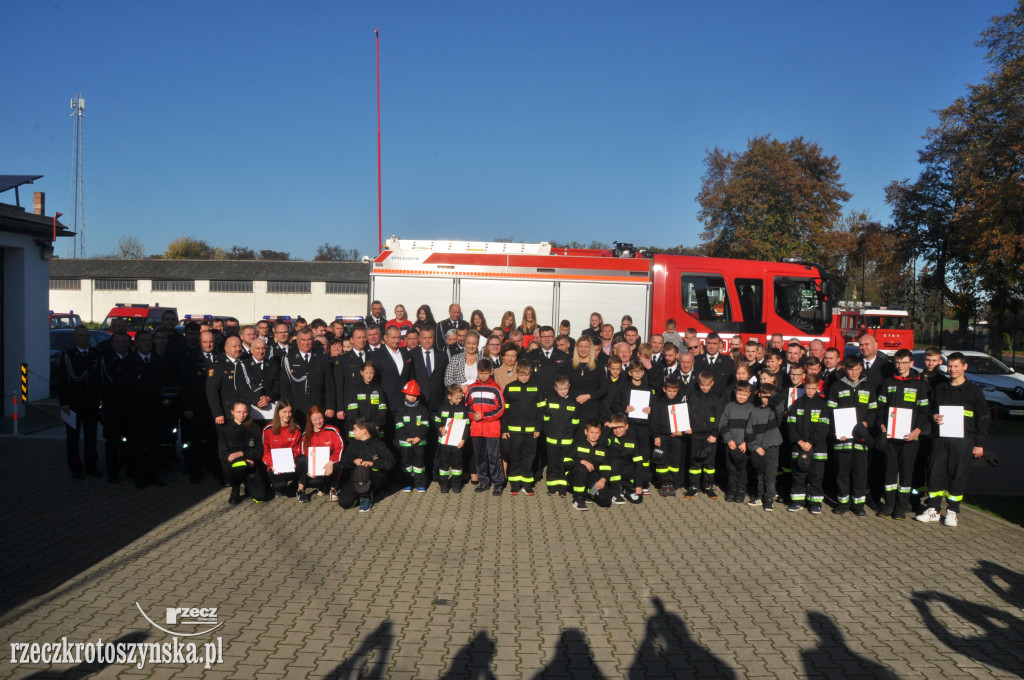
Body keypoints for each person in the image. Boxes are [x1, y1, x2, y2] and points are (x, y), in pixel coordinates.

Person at [915, 352, 990, 527]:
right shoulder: (940, 388)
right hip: (940, 439)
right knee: (935, 473)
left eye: (956, 366)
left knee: (958, 475)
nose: (952, 369)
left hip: (963, 441)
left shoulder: (974, 391)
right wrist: (934, 417)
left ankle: (952, 511)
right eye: (950, 366)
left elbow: (984, 418)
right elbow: (929, 410)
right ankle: (933, 509)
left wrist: (979, 443)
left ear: (965, 367)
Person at [875, 349, 930, 519]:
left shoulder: (919, 384)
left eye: (904, 362)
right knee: (890, 471)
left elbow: (924, 412)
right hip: (891, 436)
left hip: (910, 438)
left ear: (911, 363)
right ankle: (889, 505)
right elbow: (881, 408)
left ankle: (900, 507)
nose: (900, 366)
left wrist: (917, 431)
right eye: (898, 362)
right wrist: (883, 427)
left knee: (906, 473)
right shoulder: (888, 382)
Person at [827, 357, 878, 516]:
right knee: (842, 473)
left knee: (860, 474)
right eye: (850, 369)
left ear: (861, 368)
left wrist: (866, 424)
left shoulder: (869, 387)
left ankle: (858, 505)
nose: (854, 372)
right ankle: (843, 503)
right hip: (842, 439)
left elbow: (873, 411)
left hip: (860, 440)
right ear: (845, 370)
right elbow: (830, 412)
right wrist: (835, 431)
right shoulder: (836, 387)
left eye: (856, 369)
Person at [57, 325, 100, 479]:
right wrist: (64, 402)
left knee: (91, 437)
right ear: (74, 338)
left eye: (86, 335)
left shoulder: (95, 354)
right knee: (73, 439)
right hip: (73, 404)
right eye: (80, 335)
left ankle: (91, 467)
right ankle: (76, 468)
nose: (84, 338)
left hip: (91, 403)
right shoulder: (68, 355)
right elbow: (62, 380)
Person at [786, 376, 830, 514]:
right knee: (798, 475)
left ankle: (815, 503)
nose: (810, 391)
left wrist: (810, 442)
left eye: (813, 388)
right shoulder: (797, 404)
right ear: (804, 387)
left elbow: (824, 428)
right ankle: (797, 502)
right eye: (808, 388)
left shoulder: (822, 405)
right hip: (799, 447)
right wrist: (799, 441)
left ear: (818, 388)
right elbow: (790, 426)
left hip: (817, 448)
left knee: (816, 477)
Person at [501, 361, 545, 495]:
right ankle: (515, 485)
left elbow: (541, 409)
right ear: (516, 374)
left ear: (530, 374)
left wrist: (538, 427)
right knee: (515, 457)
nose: (524, 377)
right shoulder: (509, 388)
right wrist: (504, 429)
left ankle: (527, 484)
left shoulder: (536, 387)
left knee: (529, 457)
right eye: (521, 375)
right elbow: (505, 411)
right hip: (514, 431)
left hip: (531, 431)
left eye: (527, 375)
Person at [96, 332, 134, 482]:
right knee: (112, 443)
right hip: (112, 407)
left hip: (130, 407)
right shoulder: (105, 361)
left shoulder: (134, 358)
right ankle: (113, 473)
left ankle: (130, 469)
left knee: (130, 441)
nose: (121, 344)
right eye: (117, 342)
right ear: (112, 344)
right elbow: (99, 383)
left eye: (124, 342)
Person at [279, 328, 336, 428]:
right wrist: (287, 409)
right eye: (303, 340)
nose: (306, 343)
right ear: (297, 341)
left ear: (313, 340)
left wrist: (330, 406)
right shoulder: (289, 359)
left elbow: (329, 385)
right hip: (297, 409)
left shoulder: (323, 358)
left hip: (318, 407)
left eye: (309, 339)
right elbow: (285, 387)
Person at [466, 360, 506, 495]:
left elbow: (501, 409)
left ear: (491, 372)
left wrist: (483, 415)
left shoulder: (496, 388)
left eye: (486, 373)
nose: (483, 376)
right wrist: (473, 416)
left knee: (494, 457)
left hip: (492, 430)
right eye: (481, 373)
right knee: (480, 457)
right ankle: (484, 481)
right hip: (477, 430)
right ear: (477, 372)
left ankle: (498, 482)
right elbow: (467, 407)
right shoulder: (472, 388)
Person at [338, 418, 395, 512]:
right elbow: (344, 461)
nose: (353, 431)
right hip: (356, 479)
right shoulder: (353, 444)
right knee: (344, 503)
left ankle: (366, 498)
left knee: (362, 469)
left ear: (364, 431)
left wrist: (373, 463)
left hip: (375, 478)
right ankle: (361, 495)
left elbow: (391, 461)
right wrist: (353, 461)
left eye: (355, 429)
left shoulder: (378, 444)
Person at [218, 401, 268, 505]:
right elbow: (224, 455)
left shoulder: (255, 428)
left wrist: (241, 454)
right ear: (232, 412)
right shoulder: (225, 430)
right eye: (238, 412)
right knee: (240, 465)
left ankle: (248, 485)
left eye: (245, 412)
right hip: (235, 466)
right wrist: (243, 456)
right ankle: (235, 490)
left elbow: (259, 451)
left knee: (260, 497)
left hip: (251, 464)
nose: (242, 415)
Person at [745, 384, 784, 511]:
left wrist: (773, 396)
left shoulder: (774, 411)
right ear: (759, 395)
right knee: (760, 474)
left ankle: (769, 499)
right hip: (759, 448)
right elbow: (749, 430)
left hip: (772, 447)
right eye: (764, 396)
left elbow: (780, 404)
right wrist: (755, 447)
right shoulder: (754, 411)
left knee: (770, 474)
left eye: (769, 397)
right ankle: (760, 496)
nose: (766, 399)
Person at [684, 372, 722, 499]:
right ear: (699, 384)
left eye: (707, 385)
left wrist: (714, 434)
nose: (704, 387)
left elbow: (718, 418)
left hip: (709, 436)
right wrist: (687, 426)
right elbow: (687, 413)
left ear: (712, 384)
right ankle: (693, 487)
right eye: (702, 385)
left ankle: (708, 487)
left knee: (709, 464)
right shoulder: (693, 397)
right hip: (695, 435)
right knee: (694, 462)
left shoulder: (716, 398)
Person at [541, 375, 579, 495]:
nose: (563, 391)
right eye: (560, 389)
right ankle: (552, 487)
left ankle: (562, 489)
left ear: (569, 387)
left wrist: (568, 433)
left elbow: (575, 422)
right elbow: (545, 420)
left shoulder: (573, 403)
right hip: (552, 440)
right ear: (555, 388)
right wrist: (549, 433)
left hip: (566, 441)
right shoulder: (550, 401)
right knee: (553, 465)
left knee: (563, 465)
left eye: (565, 389)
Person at [568, 420, 617, 511]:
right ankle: (578, 498)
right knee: (581, 468)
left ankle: (589, 493)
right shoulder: (577, 444)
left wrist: (603, 479)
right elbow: (566, 463)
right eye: (591, 432)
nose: (594, 435)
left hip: (591, 477)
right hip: (575, 477)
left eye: (597, 433)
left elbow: (605, 467)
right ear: (586, 432)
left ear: (600, 433)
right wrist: (581, 461)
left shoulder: (602, 450)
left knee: (605, 501)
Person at [719, 382, 755, 503]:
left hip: (744, 446)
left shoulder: (751, 408)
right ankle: (731, 490)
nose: (741, 397)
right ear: (735, 392)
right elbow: (723, 424)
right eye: (739, 393)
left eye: (744, 394)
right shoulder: (729, 406)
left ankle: (741, 491)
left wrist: (746, 442)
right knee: (731, 469)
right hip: (731, 444)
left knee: (743, 470)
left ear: (749, 394)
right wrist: (729, 440)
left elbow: (753, 427)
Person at [299, 405, 344, 502]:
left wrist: (331, 461)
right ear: (310, 420)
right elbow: (304, 454)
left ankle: (333, 488)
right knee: (303, 461)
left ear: (324, 417)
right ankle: (320, 487)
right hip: (315, 471)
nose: (318, 422)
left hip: (330, 466)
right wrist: (310, 469)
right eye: (315, 419)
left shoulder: (332, 430)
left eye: (320, 418)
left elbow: (339, 448)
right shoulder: (306, 435)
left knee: (338, 464)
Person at [651, 377, 687, 496]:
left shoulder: (680, 404)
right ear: (664, 389)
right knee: (662, 462)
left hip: (676, 438)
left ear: (677, 390)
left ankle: (671, 484)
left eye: (674, 391)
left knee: (674, 462)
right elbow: (654, 421)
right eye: (669, 391)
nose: (672, 394)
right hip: (662, 437)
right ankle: (663, 484)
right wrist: (656, 436)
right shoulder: (659, 403)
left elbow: (684, 421)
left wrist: (681, 432)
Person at [262, 399, 304, 499]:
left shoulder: (296, 429)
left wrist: (292, 461)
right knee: (280, 486)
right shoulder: (268, 430)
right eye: (284, 412)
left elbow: (297, 449)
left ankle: (298, 486)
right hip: (275, 466)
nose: (287, 415)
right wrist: (272, 464)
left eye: (289, 412)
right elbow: (265, 452)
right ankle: (276, 486)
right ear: (278, 412)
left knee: (302, 459)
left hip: (290, 465)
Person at [395, 380, 431, 492]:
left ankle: (420, 484)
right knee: (406, 464)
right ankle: (407, 484)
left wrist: (418, 437)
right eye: (410, 395)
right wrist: (406, 437)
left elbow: (425, 425)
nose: (412, 398)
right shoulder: (401, 410)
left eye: (415, 395)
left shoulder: (422, 409)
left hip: (419, 443)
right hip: (405, 443)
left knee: (419, 464)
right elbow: (399, 425)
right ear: (405, 394)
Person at [434, 385, 471, 493]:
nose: (459, 400)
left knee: (457, 465)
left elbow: (466, 426)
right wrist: (440, 428)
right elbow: (436, 421)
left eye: (461, 398)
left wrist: (463, 440)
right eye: (457, 398)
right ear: (449, 396)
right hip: (444, 442)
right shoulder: (442, 407)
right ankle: (444, 485)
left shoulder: (463, 409)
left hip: (457, 443)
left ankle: (456, 485)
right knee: (443, 464)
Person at [607, 413, 647, 503]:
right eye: (615, 427)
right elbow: (601, 441)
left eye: (620, 427)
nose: (617, 430)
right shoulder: (608, 438)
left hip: (624, 474)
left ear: (626, 426)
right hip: (607, 474)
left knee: (637, 500)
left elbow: (639, 464)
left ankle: (624, 488)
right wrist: (608, 427)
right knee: (597, 495)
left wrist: (638, 485)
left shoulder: (632, 442)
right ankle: (614, 492)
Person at [568, 336, 607, 426]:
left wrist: (589, 396)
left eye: (586, 346)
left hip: (591, 409)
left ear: (591, 348)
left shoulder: (599, 366)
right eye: (580, 346)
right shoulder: (569, 365)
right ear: (576, 348)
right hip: (573, 407)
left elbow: (604, 389)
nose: (583, 349)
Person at [410, 326, 449, 415]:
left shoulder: (442, 356)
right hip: (418, 402)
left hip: (437, 402)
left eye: (430, 338)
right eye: (424, 338)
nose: (427, 340)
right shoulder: (412, 355)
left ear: (434, 338)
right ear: (420, 339)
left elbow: (445, 379)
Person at [344, 362, 389, 437]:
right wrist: (359, 425)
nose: (369, 376)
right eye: (366, 373)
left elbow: (382, 410)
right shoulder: (356, 389)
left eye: (371, 373)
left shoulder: (379, 390)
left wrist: (377, 424)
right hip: (359, 428)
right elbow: (352, 411)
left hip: (375, 428)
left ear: (374, 373)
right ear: (361, 372)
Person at [526, 326, 571, 398]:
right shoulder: (530, 356)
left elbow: (568, 378)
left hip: (556, 399)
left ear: (554, 338)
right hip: (535, 398)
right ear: (540, 338)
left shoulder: (563, 356)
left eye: (550, 336)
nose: (547, 339)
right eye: (544, 336)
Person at [241, 338, 278, 422]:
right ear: (252, 350)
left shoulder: (273, 366)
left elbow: (277, 386)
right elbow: (241, 387)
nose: (261, 351)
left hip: (270, 409)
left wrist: (268, 398)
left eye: (263, 348)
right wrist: (257, 400)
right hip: (250, 408)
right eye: (258, 348)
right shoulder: (243, 365)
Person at [694, 332, 735, 398]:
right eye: (709, 343)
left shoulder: (728, 361)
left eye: (714, 344)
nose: (711, 346)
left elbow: (731, 384)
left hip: (720, 401)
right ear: (705, 343)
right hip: (700, 401)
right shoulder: (697, 360)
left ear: (719, 344)